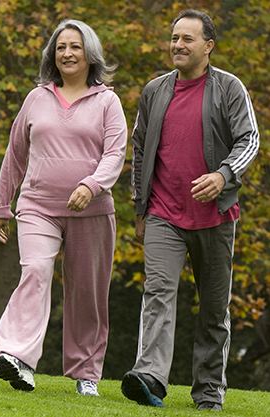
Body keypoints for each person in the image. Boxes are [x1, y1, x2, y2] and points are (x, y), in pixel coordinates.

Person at [121, 9, 259, 411]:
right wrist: (140, 208)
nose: (177, 45)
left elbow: (249, 140)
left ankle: (208, 391)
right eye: (174, 37)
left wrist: (224, 175)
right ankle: (150, 377)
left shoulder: (230, 88)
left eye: (187, 39)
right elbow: (141, 148)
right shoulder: (155, 91)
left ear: (208, 46)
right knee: (158, 292)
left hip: (215, 218)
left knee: (214, 311)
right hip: (164, 212)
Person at [0, 19, 127, 396]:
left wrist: (91, 185)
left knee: (88, 292)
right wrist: (2, 204)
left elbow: (116, 154)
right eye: (61, 46)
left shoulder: (107, 101)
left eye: (75, 46)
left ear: (90, 55)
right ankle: (17, 357)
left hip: (93, 210)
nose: (67, 53)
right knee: (34, 271)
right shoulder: (36, 97)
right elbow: (15, 154)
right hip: (38, 207)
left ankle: (86, 374)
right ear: (53, 54)